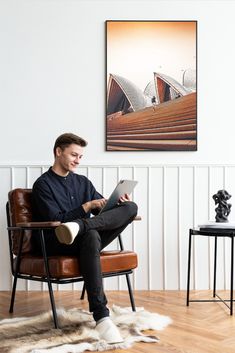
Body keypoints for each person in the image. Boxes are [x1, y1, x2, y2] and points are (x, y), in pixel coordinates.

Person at [31, 132, 138, 343]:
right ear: (58, 152)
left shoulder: (83, 182)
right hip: (56, 241)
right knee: (90, 236)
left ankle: (82, 225)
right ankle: (102, 317)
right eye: (73, 155)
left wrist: (117, 205)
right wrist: (86, 207)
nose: (78, 160)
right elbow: (55, 220)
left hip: (83, 236)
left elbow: (103, 214)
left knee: (130, 208)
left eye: (80, 156)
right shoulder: (42, 185)